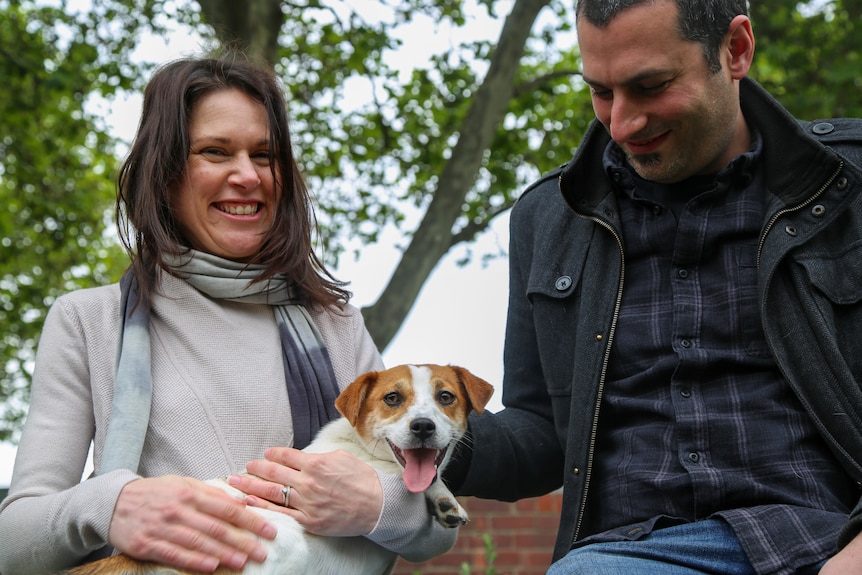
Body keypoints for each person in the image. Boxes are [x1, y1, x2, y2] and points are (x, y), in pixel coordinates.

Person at [444, 0, 862, 573]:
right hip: (626, 553)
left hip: (827, 539)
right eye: (601, 91)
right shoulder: (546, 219)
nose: (621, 124)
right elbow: (543, 432)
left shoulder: (850, 188)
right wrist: (420, 432)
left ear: (735, 49)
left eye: (651, 86)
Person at [0, 53, 456, 574]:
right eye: (215, 152)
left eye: (264, 155)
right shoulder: (87, 321)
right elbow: (12, 541)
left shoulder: (336, 324)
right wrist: (111, 506)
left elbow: (433, 528)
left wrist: (376, 507)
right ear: (166, 171)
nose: (247, 176)